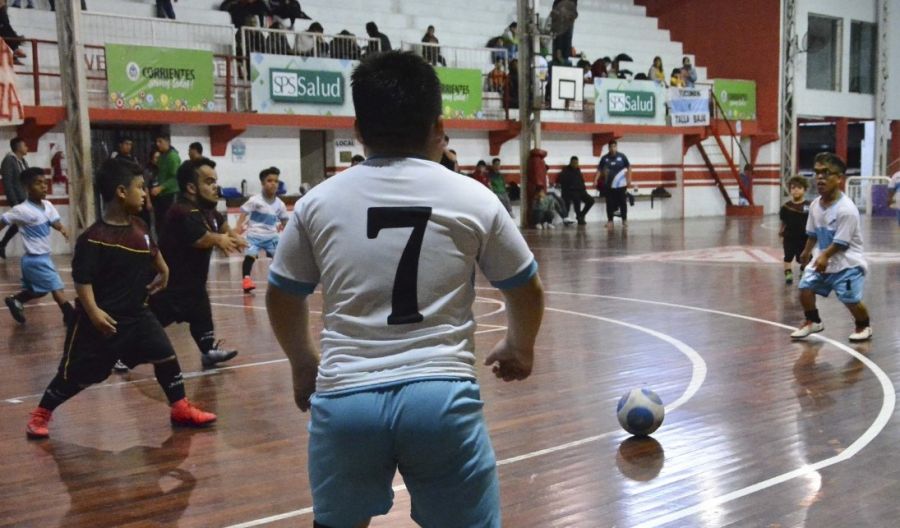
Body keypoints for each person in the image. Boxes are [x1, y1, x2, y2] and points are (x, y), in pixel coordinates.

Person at [266, 50, 544, 528]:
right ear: (439, 128)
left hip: (346, 398)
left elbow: (283, 294)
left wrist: (303, 364)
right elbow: (525, 288)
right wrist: (520, 347)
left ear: (358, 129)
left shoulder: (317, 202)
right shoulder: (474, 198)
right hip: (441, 398)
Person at [24, 158, 216, 440]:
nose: (145, 193)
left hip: (138, 315)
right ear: (121, 192)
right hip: (102, 322)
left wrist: (163, 268)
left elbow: (151, 249)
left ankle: (180, 408)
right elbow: (82, 281)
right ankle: (42, 413)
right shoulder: (93, 238)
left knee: (165, 355)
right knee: (77, 376)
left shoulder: (139, 226)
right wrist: (93, 312)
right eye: (139, 187)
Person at [147, 158, 246, 369]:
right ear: (191, 187)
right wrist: (219, 240)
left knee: (202, 318)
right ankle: (120, 355)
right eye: (209, 182)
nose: (215, 187)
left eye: (215, 181)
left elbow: (224, 227)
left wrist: (236, 238)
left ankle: (208, 351)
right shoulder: (181, 211)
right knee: (148, 325)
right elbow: (200, 239)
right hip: (169, 286)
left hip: (193, 286)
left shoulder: (209, 211)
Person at [791, 152, 872, 342]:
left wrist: (824, 256)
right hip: (824, 260)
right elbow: (813, 233)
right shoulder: (815, 205)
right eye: (817, 172)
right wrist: (806, 252)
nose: (820, 177)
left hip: (847, 264)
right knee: (805, 288)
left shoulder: (846, 209)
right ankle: (813, 321)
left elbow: (841, 243)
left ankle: (864, 325)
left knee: (850, 299)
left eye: (826, 173)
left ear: (839, 178)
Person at [1, 167, 74, 325]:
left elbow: (53, 221)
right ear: (27, 188)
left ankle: (16, 300)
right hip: (35, 259)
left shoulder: (48, 205)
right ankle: (70, 315)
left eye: (45, 183)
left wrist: (62, 228)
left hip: (43, 258)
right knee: (56, 287)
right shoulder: (22, 210)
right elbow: (4, 220)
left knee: (39, 291)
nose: (43, 186)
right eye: (38, 183)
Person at [236, 167, 289, 293]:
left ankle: (280, 281)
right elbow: (244, 212)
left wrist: (288, 234)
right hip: (254, 235)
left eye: (276, 181)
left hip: (271, 237)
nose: (273, 184)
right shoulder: (255, 200)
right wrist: (238, 227)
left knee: (279, 258)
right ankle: (246, 280)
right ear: (262, 183)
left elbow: (285, 221)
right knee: (250, 256)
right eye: (269, 181)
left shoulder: (280, 204)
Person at [0, 136, 29, 258]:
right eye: (24, 145)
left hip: (26, 198)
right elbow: (7, 183)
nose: (27, 147)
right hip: (17, 198)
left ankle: (2, 244)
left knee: (20, 222)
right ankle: (2, 244)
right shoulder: (8, 160)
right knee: (17, 220)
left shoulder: (23, 161)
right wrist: (14, 201)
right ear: (18, 147)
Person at [779, 176, 811, 285]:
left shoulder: (809, 206)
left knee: (804, 258)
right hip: (789, 237)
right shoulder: (786, 207)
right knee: (788, 256)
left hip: (804, 238)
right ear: (790, 190)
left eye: (799, 188)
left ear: (804, 189)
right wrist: (781, 233)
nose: (796, 190)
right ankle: (788, 274)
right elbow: (783, 222)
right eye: (793, 188)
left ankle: (803, 270)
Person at [597, 139, 633, 228]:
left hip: (621, 185)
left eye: (614, 146)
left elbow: (629, 167)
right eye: (611, 147)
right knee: (609, 203)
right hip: (609, 185)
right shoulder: (604, 158)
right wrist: (595, 180)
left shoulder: (622, 156)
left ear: (616, 147)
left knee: (623, 202)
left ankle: (624, 220)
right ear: (608, 148)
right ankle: (610, 221)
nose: (613, 148)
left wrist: (629, 179)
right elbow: (599, 170)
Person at [152, 133, 181, 232]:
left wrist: (160, 187)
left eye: (160, 141)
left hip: (171, 193)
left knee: (169, 221)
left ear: (167, 142)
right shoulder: (161, 156)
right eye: (156, 142)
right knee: (160, 222)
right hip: (162, 194)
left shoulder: (173, 156)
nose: (157, 144)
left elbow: (175, 178)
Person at [557, 155, 593, 225]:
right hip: (570, 192)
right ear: (570, 162)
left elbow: (582, 181)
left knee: (591, 200)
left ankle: (581, 215)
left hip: (581, 191)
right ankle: (579, 218)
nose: (575, 164)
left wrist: (584, 190)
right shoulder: (565, 171)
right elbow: (563, 183)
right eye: (573, 163)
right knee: (577, 199)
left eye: (576, 163)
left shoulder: (578, 170)